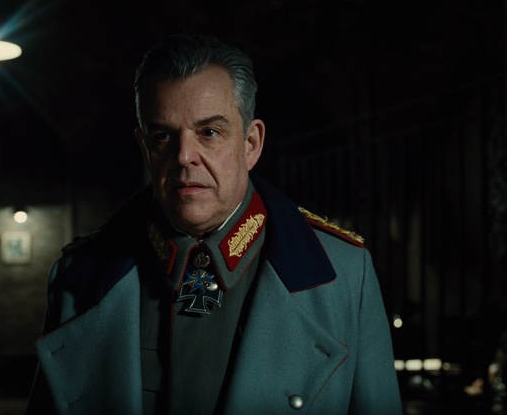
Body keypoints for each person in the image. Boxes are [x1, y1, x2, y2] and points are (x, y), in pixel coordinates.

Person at [25, 34, 402, 414]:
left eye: (209, 133)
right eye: (163, 136)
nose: (184, 156)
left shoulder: (344, 276)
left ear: (251, 144)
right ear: (145, 149)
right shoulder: (77, 278)